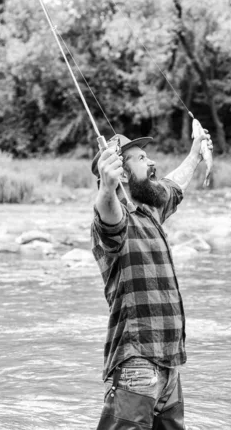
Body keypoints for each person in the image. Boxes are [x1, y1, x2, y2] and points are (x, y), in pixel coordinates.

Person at [90, 130, 213, 430]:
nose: (153, 162)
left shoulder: (151, 208)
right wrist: (107, 187)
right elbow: (107, 211)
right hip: (136, 365)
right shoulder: (114, 224)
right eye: (142, 158)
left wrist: (196, 153)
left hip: (170, 367)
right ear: (124, 174)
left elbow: (174, 185)